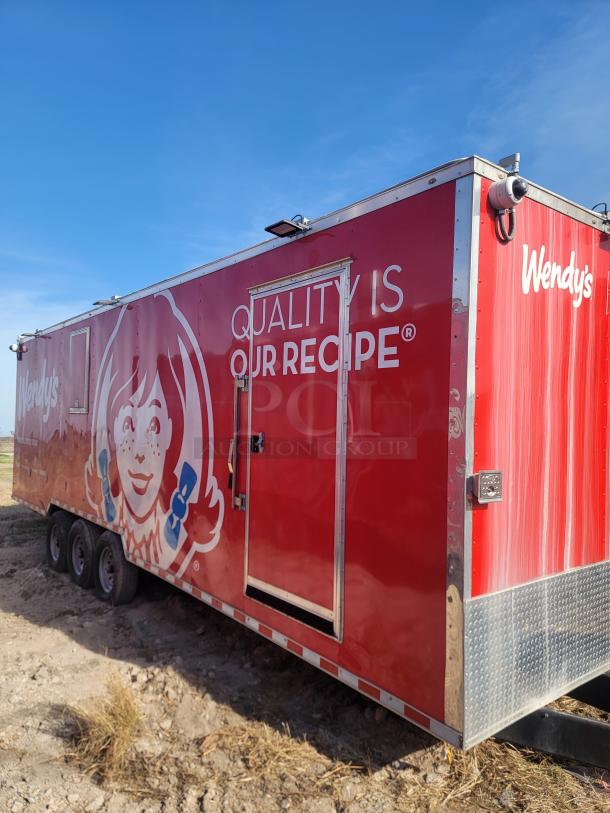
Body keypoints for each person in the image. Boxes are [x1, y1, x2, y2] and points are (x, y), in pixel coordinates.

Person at [85, 289, 224, 576]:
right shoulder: (120, 506)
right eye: (127, 425)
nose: (139, 450)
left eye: (154, 426)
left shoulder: (174, 530)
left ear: (176, 430)